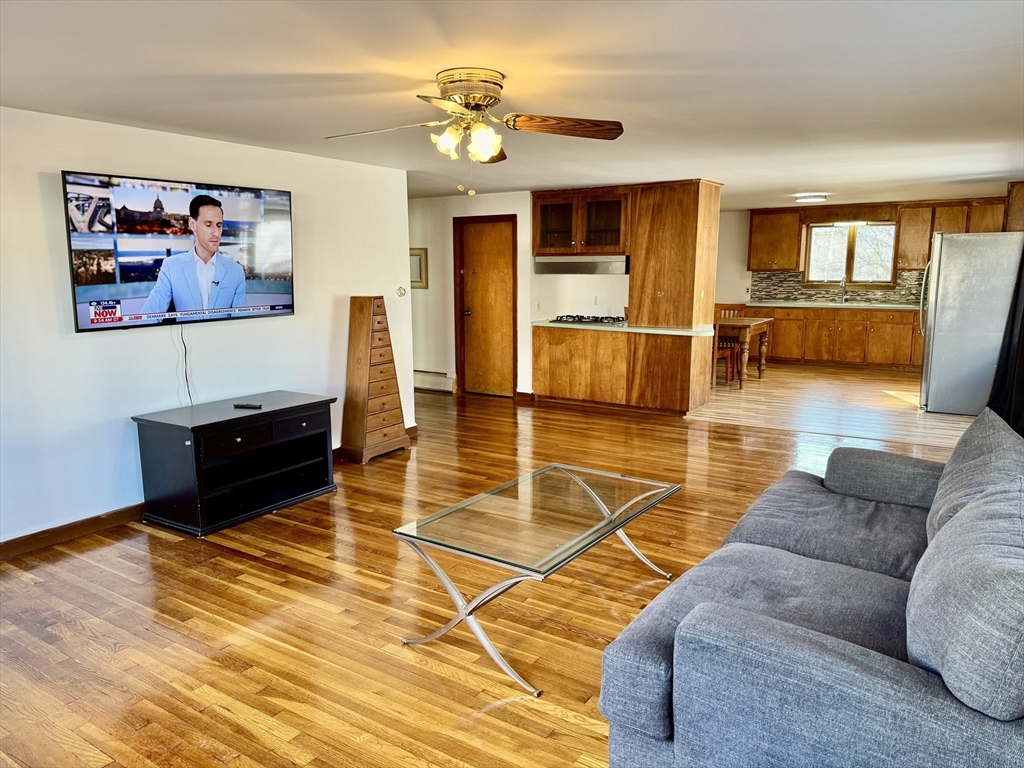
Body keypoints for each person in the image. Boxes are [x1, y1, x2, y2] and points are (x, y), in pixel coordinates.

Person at [140, 194, 246, 318]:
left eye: (219, 225)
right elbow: (149, 316)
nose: (216, 233)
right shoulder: (171, 267)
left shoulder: (236, 271)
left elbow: (241, 321)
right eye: (208, 224)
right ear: (192, 224)